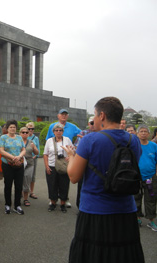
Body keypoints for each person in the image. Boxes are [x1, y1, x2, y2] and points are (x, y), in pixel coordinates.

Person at [62, 97, 144, 263]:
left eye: (95, 115)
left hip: (95, 211)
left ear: (102, 116)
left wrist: (71, 157)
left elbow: (73, 176)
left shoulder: (90, 140)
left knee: (93, 254)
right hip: (126, 211)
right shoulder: (133, 140)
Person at [0, 119, 26, 215]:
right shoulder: (3, 137)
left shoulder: (19, 138)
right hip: (7, 164)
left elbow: (23, 149)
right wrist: (12, 157)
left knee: (18, 185)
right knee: (8, 185)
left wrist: (19, 156)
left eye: (14, 127)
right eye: (10, 127)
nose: (12, 129)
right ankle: (8, 205)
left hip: (19, 164)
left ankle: (17, 205)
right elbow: (1, 150)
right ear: (7, 128)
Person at [43, 123, 73, 213]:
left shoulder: (67, 140)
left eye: (60, 130)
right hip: (52, 165)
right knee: (52, 185)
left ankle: (63, 203)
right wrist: (47, 166)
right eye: (56, 130)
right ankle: (53, 202)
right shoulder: (49, 141)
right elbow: (45, 154)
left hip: (63, 166)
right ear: (53, 132)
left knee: (64, 184)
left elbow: (72, 151)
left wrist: (69, 156)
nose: (58, 132)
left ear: (63, 131)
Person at [134, 124, 157, 230]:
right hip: (136, 177)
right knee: (136, 198)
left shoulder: (153, 146)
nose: (143, 133)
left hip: (150, 178)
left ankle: (151, 221)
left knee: (151, 198)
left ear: (148, 134)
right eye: (141, 131)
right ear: (137, 134)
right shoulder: (134, 145)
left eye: (145, 131)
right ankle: (137, 218)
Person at [73, 116, 95, 208]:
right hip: (83, 164)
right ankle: (80, 206)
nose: (93, 125)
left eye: (95, 123)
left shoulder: (103, 134)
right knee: (81, 185)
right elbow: (77, 149)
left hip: (95, 165)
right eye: (91, 123)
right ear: (88, 124)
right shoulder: (83, 133)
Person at [19, 127, 39, 206]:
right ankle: (19, 194)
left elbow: (37, 152)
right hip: (19, 164)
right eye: (23, 132)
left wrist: (34, 147)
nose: (25, 134)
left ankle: (26, 199)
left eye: (26, 132)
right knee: (19, 180)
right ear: (20, 133)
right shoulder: (17, 141)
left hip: (29, 163)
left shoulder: (31, 142)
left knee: (27, 179)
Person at [26, 122, 40, 200]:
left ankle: (31, 192)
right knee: (24, 175)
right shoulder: (24, 137)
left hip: (33, 158)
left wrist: (35, 156)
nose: (31, 130)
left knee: (32, 176)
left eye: (32, 129)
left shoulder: (36, 138)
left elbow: (38, 149)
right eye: (29, 129)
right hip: (25, 158)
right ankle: (24, 191)